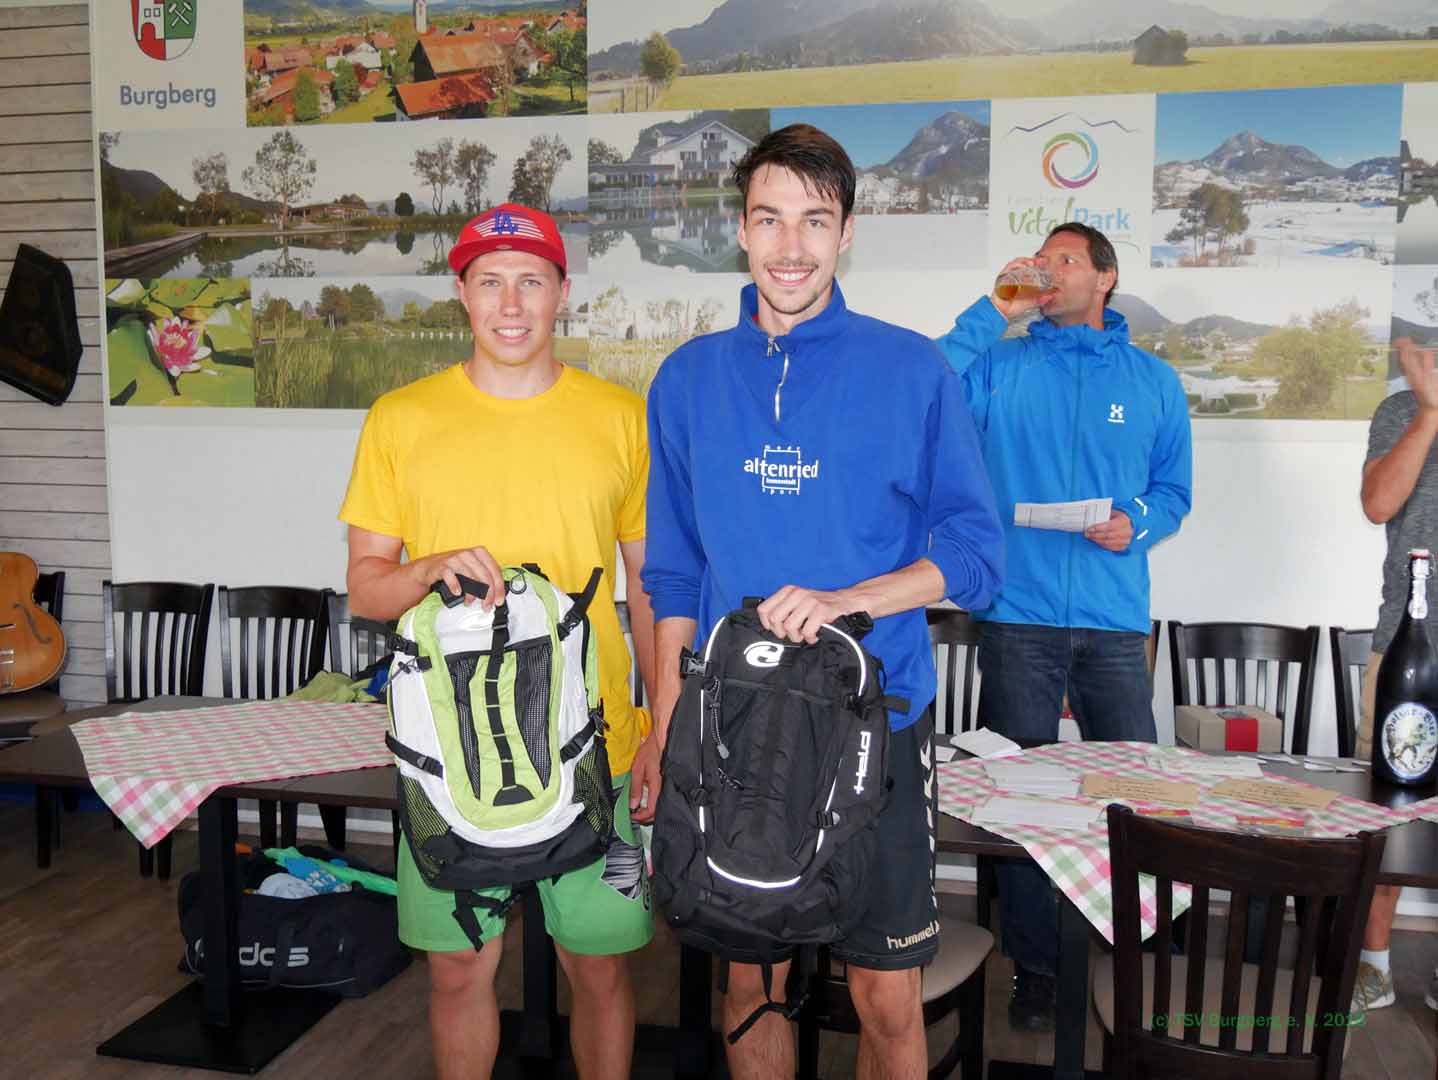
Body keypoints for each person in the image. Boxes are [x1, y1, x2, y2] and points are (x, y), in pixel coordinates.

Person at [642, 124, 1005, 1080]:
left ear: (847, 233)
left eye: (815, 220)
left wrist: (851, 599)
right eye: (769, 219)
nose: (791, 245)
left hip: (877, 724)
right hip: (734, 730)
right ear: (740, 230)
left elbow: (976, 558)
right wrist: (666, 715)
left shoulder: (912, 370)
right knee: (749, 986)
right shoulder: (685, 381)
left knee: (885, 998)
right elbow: (673, 572)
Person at [339, 203, 658, 1080]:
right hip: (448, 755)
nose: (510, 305)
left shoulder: (622, 418)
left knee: (599, 969)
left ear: (562, 291)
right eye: (490, 282)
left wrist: (663, 727)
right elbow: (366, 588)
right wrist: (427, 566)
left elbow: (651, 587)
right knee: (457, 972)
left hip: (596, 749)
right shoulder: (400, 418)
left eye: (530, 282)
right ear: (462, 294)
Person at [935, 223, 1193, 1031]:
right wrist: (994, 309)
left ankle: (1138, 955)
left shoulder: (1153, 381)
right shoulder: (998, 364)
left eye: (1066, 260)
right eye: (1040, 260)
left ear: (1105, 278)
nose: (1048, 271)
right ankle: (1038, 968)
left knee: (1136, 798)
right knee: (1022, 802)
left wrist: (1137, 521)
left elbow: (1173, 492)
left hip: (1115, 623)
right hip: (1018, 616)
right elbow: (925, 385)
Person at [1352, 336, 1438, 1015]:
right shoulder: (1401, 410)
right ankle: (1373, 963)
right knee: (1386, 809)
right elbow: (1379, 504)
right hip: (1406, 645)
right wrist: (1430, 410)